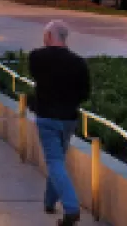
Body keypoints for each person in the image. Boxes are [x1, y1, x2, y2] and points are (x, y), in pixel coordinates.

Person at [28, 21, 91, 226]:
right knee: (58, 162)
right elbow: (85, 93)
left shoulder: (37, 58)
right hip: (69, 120)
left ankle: (71, 209)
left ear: (48, 36)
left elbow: (36, 77)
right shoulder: (79, 63)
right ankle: (49, 201)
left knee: (54, 162)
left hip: (47, 118)